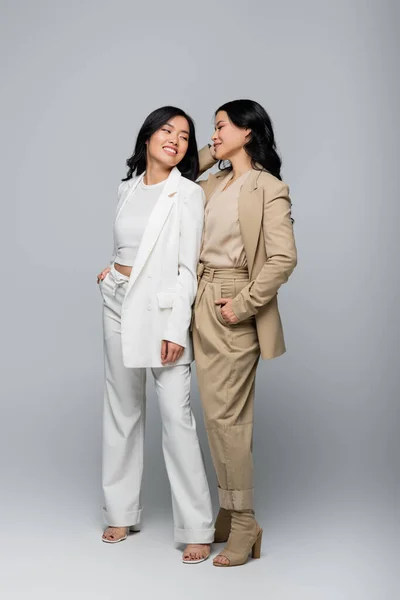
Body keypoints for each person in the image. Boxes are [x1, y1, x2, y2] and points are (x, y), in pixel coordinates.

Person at [97, 106, 214, 563]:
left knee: (176, 417)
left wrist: (176, 327)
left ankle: (197, 525)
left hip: (163, 313)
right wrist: (111, 272)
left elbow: (187, 267)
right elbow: (128, 246)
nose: (176, 140)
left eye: (185, 136)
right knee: (121, 409)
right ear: (147, 136)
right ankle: (121, 511)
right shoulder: (125, 189)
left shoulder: (187, 193)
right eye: (167, 130)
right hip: (117, 301)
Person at [193, 99, 297, 567]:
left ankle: (243, 521)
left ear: (247, 132)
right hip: (201, 298)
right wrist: (212, 148)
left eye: (220, 126)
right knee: (218, 416)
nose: (213, 135)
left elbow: (282, 259)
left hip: (233, 303)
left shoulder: (268, 188)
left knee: (226, 419)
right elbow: (171, 172)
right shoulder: (213, 182)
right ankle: (228, 508)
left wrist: (241, 305)